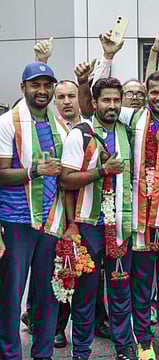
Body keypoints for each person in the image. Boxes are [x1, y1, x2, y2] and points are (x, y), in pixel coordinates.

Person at [60, 76, 137, 360]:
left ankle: (123, 347)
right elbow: (66, 181)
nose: (112, 105)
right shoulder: (80, 134)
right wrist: (102, 171)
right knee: (85, 294)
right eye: (106, 100)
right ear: (94, 103)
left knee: (120, 289)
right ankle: (81, 351)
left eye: (117, 100)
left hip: (120, 223)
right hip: (88, 225)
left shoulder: (128, 133)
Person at [0, 62, 67, 360]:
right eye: (35, 85)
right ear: (23, 87)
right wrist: (34, 170)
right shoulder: (7, 122)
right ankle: (10, 354)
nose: (42, 91)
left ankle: (43, 353)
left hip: (50, 222)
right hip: (16, 221)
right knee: (11, 296)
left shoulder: (59, 124)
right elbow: (1, 173)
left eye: (46, 85)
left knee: (48, 294)